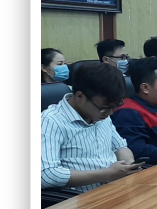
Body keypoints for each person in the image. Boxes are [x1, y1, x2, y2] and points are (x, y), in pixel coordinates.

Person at [40, 61, 139, 193]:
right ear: (80, 96)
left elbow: (120, 147)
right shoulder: (50, 121)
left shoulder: (100, 114)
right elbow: (46, 175)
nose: (110, 113)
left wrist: (128, 163)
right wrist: (107, 174)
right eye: (104, 108)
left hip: (115, 189)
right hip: (79, 198)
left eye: (114, 107)